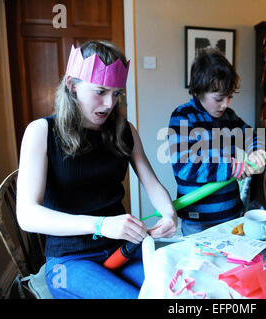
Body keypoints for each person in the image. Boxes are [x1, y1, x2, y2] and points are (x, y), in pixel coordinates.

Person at [16, 40, 177, 299]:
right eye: (101, 91)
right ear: (72, 86)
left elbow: (151, 182)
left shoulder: (125, 131)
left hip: (121, 249)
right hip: (69, 261)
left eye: (117, 93)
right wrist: (101, 225)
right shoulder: (40, 132)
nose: (110, 103)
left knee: (175, 291)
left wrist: (169, 215)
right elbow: (27, 216)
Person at [168, 49, 266, 236]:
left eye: (229, 97)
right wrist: (231, 167)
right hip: (197, 220)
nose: (226, 104)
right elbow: (184, 167)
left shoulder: (229, 117)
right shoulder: (182, 116)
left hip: (232, 214)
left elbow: (253, 135)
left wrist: (256, 151)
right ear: (199, 91)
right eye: (219, 99)